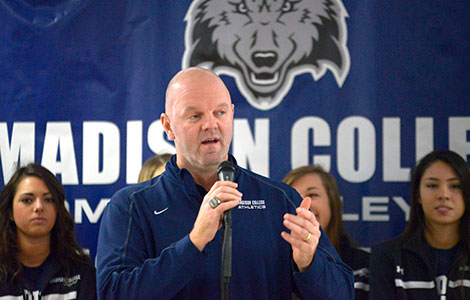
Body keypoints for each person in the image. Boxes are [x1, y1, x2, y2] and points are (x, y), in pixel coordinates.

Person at [96, 67, 354, 299]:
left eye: (219, 112)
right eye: (195, 116)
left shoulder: (280, 199)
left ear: (231, 114)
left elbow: (343, 294)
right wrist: (194, 242)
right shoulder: (132, 206)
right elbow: (112, 293)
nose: (211, 124)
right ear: (168, 126)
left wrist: (308, 263)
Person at [369, 150, 470, 299]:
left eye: (455, 186)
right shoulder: (387, 257)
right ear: (418, 195)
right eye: (432, 185)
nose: (444, 194)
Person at [0, 163, 97, 299]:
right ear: (10, 211)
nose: (39, 207)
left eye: (48, 200)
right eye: (27, 200)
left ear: (58, 209)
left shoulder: (81, 272)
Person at [283, 165, 369, 300]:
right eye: (293, 196)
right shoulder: (269, 266)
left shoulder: (365, 265)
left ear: (333, 202)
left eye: (312, 195)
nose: (303, 205)